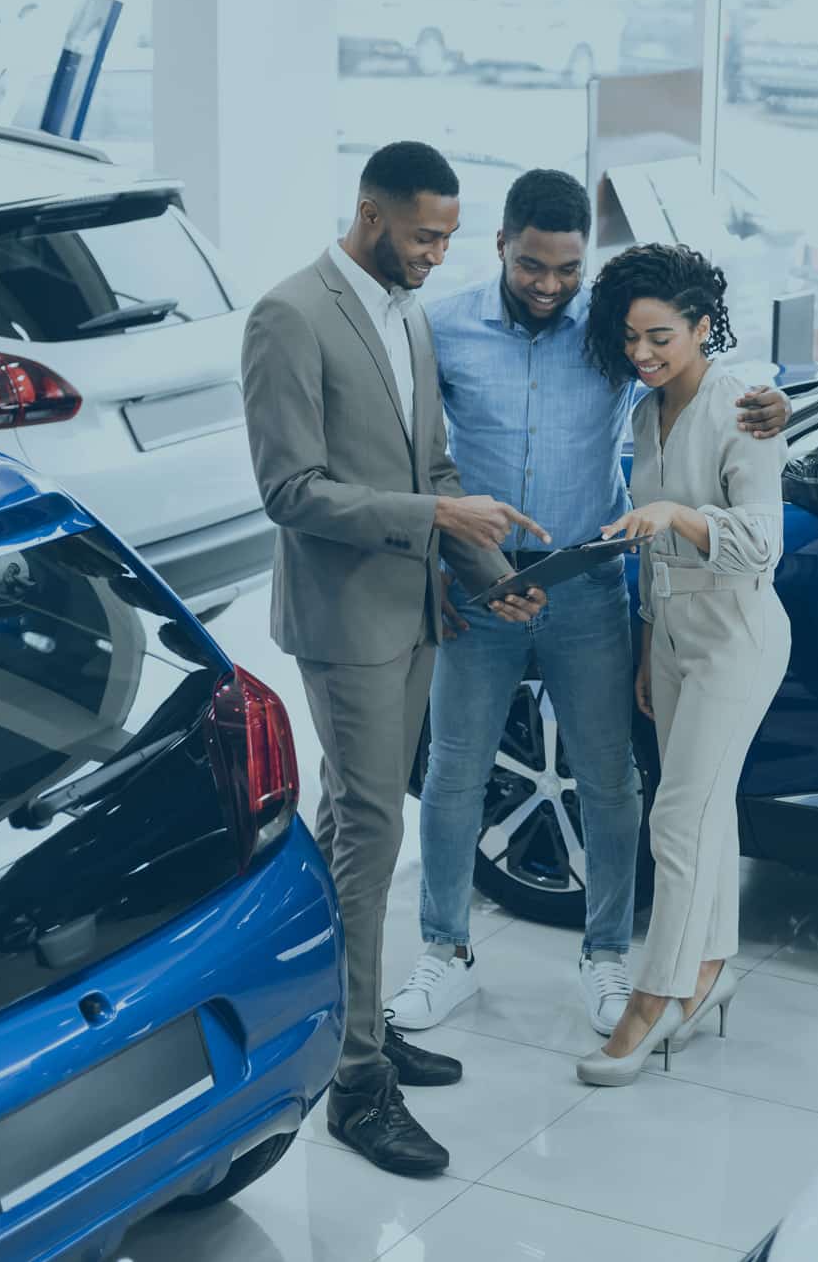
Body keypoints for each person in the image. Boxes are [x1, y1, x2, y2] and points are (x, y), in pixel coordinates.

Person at [387, 171, 790, 1040]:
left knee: (611, 781)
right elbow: (422, 460)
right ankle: (444, 954)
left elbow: (695, 369)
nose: (548, 285)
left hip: (590, 582)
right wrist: (461, 562)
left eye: (567, 269)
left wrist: (778, 400)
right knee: (455, 773)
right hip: (481, 582)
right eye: (533, 264)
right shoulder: (441, 328)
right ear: (500, 243)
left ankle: (607, 956)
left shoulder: (611, 338)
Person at [240, 141, 548, 1178]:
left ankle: (348, 1016)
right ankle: (355, 1081)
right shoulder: (290, 315)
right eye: (424, 236)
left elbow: (436, 466)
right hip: (345, 624)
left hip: (416, 610)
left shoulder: (404, 311)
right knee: (372, 827)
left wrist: (487, 574)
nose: (436, 255)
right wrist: (432, 514)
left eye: (448, 239)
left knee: (351, 823)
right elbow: (290, 492)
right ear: (370, 214)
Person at [575, 244, 791, 1086]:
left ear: (704, 325)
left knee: (676, 818)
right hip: (669, 634)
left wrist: (678, 512)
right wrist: (643, 644)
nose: (642, 353)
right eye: (630, 338)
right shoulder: (644, 411)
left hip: (736, 634)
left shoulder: (743, 408)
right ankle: (709, 969)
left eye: (660, 335)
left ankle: (655, 995)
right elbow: (649, 554)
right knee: (707, 809)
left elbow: (761, 544)